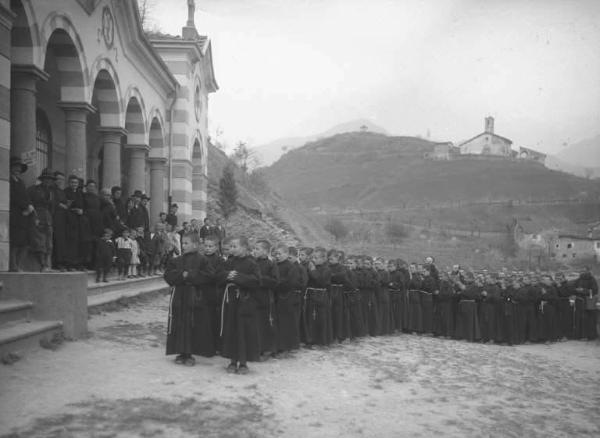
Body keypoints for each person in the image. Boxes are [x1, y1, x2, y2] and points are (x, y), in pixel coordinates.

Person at [164, 232, 216, 365]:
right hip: (180, 296)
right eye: (182, 243)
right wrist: (182, 276)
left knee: (193, 324)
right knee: (180, 323)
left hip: (195, 297)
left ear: (195, 245)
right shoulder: (177, 260)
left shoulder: (203, 260)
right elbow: (168, 276)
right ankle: (181, 352)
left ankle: (190, 354)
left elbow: (209, 276)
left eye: (186, 243)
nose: (183, 245)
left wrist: (191, 275)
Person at [219, 236, 261, 374]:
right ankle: (232, 361)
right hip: (231, 301)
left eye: (234, 246)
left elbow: (256, 281)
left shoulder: (252, 263)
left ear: (244, 248)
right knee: (232, 330)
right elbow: (219, 275)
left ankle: (243, 363)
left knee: (244, 331)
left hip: (245, 301)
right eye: (230, 247)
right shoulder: (229, 261)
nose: (231, 249)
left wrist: (237, 277)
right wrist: (227, 275)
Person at [273, 244, 301, 354]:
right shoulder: (275, 265)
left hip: (287, 297)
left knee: (286, 323)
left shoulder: (291, 267)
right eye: (276, 254)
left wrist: (277, 283)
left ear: (286, 254)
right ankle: (277, 346)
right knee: (277, 323)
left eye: (280, 254)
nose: (277, 256)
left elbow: (291, 283)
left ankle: (286, 348)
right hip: (276, 297)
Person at [253, 240, 279, 358]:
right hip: (253, 297)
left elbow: (275, 281)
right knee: (255, 324)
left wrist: (260, 279)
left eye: (257, 249)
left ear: (265, 251)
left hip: (265, 298)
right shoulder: (252, 262)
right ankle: (255, 348)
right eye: (254, 248)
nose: (255, 251)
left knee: (265, 324)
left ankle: (267, 349)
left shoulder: (271, 264)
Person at [27, 168, 56, 271]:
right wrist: (34, 217)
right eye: (46, 179)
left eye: (50, 179)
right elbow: (29, 203)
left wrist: (50, 217)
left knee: (49, 243)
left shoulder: (51, 193)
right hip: (37, 216)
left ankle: (47, 264)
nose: (48, 181)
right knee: (39, 241)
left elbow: (52, 207)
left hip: (48, 218)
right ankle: (42, 264)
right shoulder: (33, 190)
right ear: (42, 179)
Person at [9, 157, 34, 271]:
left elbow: (26, 197)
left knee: (25, 242)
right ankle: (13, 266)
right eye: (15, 167)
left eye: (19, 168)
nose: (17, 169)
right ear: (11, 168)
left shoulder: (21, 182)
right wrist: (25, 207)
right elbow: (13, 197)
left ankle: (19, 264)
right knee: (15, 242)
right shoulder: (8, 181)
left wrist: (30, 207)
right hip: (14, 214)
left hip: (24, 216)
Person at [305, 247, 333, 346]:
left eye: (316, 258)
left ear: (323, 259)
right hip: (311, 294)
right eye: (313, 258)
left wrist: (312, 270)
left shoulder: (327, 269)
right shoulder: (311, 267)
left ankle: (321, 341)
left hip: (321, 295)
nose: (313, 260)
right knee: (311, 317)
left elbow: (321, 281)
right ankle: (311, 339)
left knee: (320, 318)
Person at [64, 175, 84, 270]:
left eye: (76, 183)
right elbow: (66, 206)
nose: (74, 184)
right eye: (72, 182)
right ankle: (69, 264)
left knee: (78, 243)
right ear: (69, 183)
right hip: (69, 220)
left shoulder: (80, 193)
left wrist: (81, 210)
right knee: (70, 243)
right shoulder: (65, 192)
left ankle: (77, 263)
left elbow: (82, 205)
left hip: (78, 220)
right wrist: (75, 209)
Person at [52, 171, 69, 271]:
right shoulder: (52, 190)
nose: (60, 181)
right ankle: (56, 263)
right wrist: (60, 205)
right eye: (58, 179)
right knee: (56, 240)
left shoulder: (61, 191)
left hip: (62, 219)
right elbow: (52, 201)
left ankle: (61, 262)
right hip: (55, 217)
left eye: (62, 179)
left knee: (61, 241)